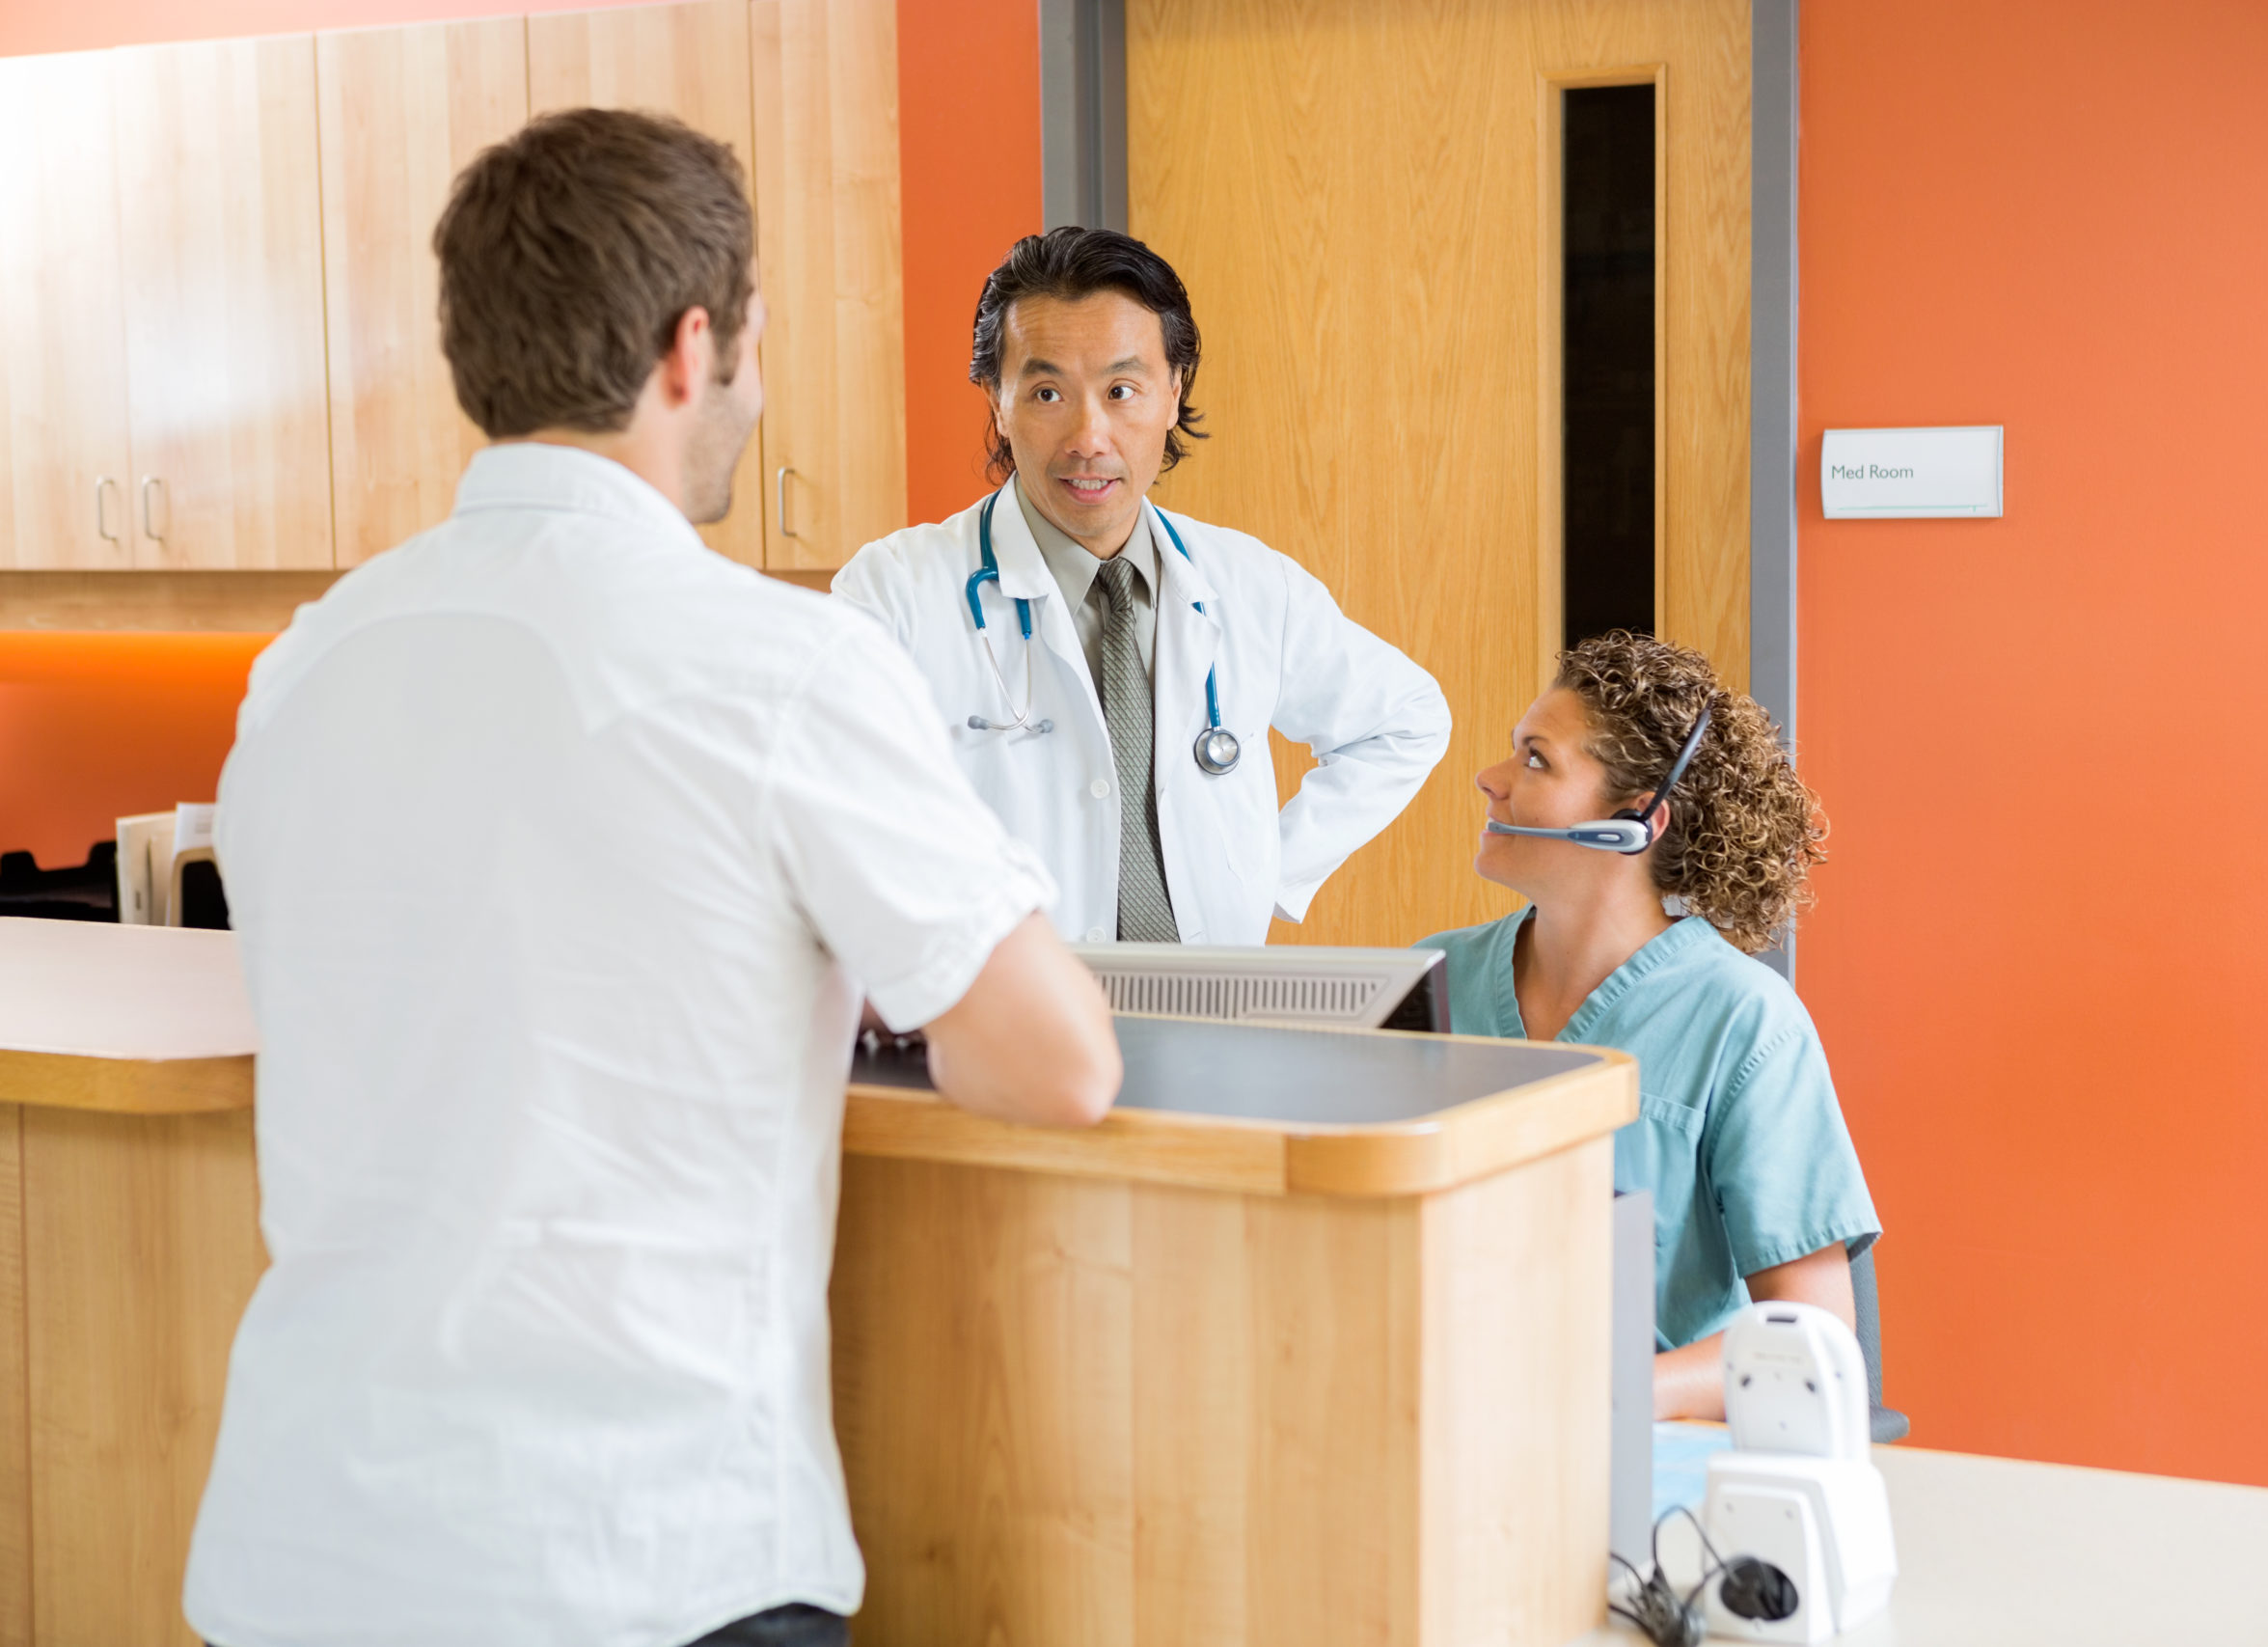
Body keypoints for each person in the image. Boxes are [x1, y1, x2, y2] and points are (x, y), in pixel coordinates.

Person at [182, 109, 1120, 1647]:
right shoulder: (781, 662)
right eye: (751, 341)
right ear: (694, 348)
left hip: (301, 1559)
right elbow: (1057, 1058)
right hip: (633, 1567)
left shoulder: (306, 666)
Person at [833, 228, 1450, 946]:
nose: (1089, 436)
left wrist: (1270, 872)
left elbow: (1407, 718)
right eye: (1046, 391)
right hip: (1014, 1020)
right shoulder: (896, 592)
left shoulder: (1249, 585)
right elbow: (831, 806)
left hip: (1213, 1020)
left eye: (1122, 390)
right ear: (996, 400)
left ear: (1173, 391)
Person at [1416, 630, 1879, 1421]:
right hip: (1449, 1424)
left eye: (1536, 760)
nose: (1489, 780)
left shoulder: (1743, 1021)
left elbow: (1817, 1337)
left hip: (1647, 1460)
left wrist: (1607, 1395)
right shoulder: (1435, 979)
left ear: (1634, 820)